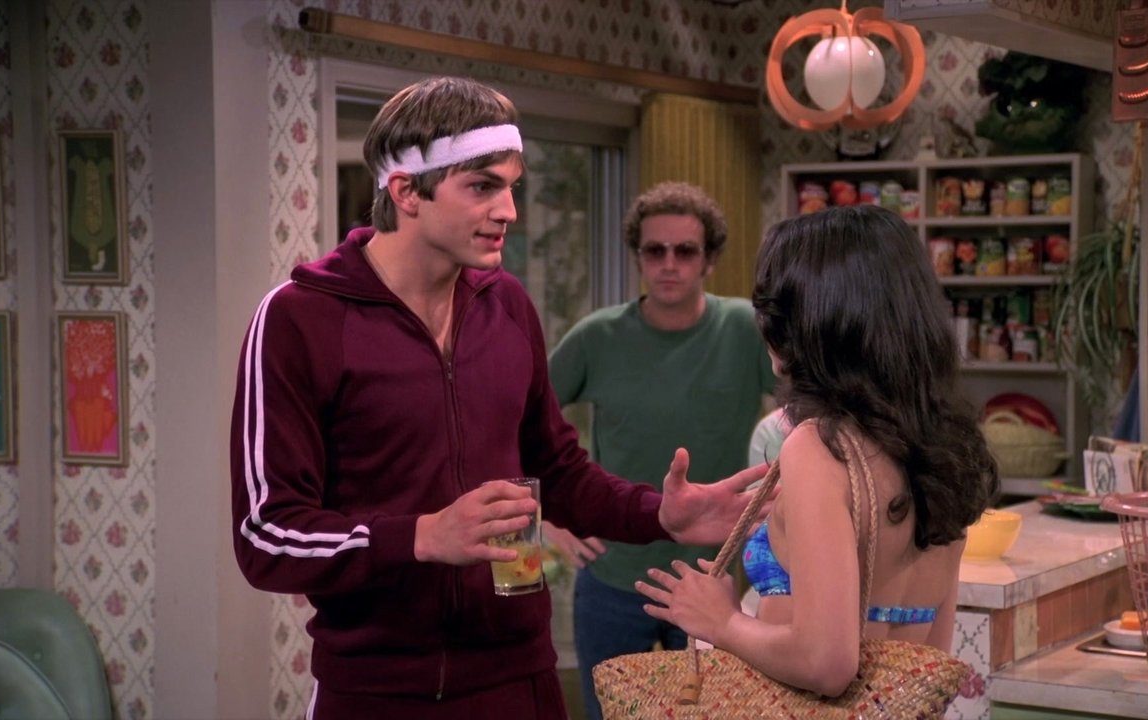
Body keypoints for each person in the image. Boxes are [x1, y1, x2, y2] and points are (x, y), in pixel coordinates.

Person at [228, 76, 769, 720]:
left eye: (512, 186)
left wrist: (659, 516)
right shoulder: (299, 319)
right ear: (406, 191)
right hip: (377, 688)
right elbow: (267, 535)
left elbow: (557, 471)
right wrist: (422, 536)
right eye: (483, 186)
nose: (509, 210)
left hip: (520, 675)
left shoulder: (506, 304)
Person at [636, 205, 999, 697]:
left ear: (809, 321)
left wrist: (722, 621)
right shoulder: (945, 447)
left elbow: (826, 663)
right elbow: (936, 662)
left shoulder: (819, 448)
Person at [543, 181, 777, 719]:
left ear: (709, 260)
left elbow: (807, 413)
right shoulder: (597, 337)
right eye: (655, 250)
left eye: (685, 251)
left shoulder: (744, 329)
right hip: (613, 577)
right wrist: (550, 516)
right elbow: (515, 423)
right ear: (638, 257)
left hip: (712, 579)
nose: (669, 264)